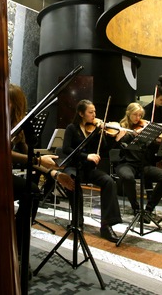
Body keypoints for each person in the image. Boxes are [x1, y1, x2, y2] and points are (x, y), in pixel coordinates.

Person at [0, 84, 74, 248]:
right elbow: (1, 153)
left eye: (6, 101)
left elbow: (28, 157)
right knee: (31, 190)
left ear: (16, 105)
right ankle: (15, 238)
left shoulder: (17, 128)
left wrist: (54, 174)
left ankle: (18, 236)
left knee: (32, 192)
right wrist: (39, 160)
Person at [61, 99, 123, 243]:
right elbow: (66, 149)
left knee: (108, 181)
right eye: (90, 112)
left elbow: (104, 150)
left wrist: (115, 140)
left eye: (95, 111)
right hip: (73, 166)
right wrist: (86, 156)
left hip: (88, 169)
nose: (94, 115)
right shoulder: (72, 128)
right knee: (72, 181)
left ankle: (107, 226)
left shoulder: (96, 130)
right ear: (81, 113)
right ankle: (77, 222)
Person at [114, 102, 162, 223]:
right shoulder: (121, 128)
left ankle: (149, 210)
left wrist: (151, 137)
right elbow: (119, 145)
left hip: (143, 165)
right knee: (128, 177)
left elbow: (153, 148)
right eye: (135, 115)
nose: (138, 118)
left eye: (140, 115)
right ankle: (136, 209)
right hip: (126, 164)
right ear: (128, 114)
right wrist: (132, 135)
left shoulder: (144, 127)